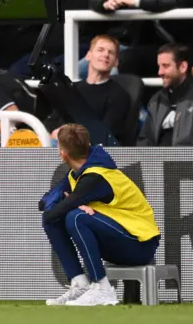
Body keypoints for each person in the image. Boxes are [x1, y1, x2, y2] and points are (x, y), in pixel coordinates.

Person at [40, 124, 160, 306]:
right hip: (118, 239)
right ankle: (80, 284)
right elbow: (44, 204)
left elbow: (55, 207)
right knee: (56, 218)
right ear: (88, 144)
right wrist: (71, 201)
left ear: (63, 153)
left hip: (140, 244)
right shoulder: (77, 173)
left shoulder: (96, 176)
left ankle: (102, 289)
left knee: (76, 217)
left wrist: (70, 201)